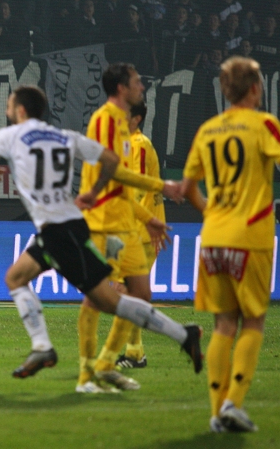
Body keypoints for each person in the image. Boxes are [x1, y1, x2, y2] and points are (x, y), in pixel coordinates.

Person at [0, 85, 202, 383]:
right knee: (16, 277)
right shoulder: (64, 136)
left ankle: (180, 334)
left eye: (10, 104)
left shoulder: (8, 137)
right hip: (67, 226)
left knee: (110, 302)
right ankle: (43, 347)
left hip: (60, 232)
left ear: (20, 110)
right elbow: (111, 160)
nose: (8, 108)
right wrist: (93, 193)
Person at [180, 56, 280, 433]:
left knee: (223, 324)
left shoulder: (208, 130)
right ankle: (233, 404)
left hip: (213, 237)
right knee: (253, 320)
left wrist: (213, 214)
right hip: (250, 237)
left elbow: (188, 188)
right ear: (256, 89)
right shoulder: (264, 125)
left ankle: (216, 413)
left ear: (225, 90)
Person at [76, 63, 181, 393]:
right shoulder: (110, 125)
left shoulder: (129, 136)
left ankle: (114, 361)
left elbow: (126, 186)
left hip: (128, 224)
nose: (142, 86)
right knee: (108, 295)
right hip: (111, 224)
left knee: (134, 294)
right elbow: (118, 179)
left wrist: (149, 217)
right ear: (122, 88)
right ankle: (94, 370)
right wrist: (161, 191)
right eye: (137, 82)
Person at [115, 101, 166, 369]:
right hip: (136, 228)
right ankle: (135, 351)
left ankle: (135, 353)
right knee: (126, 291)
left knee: (127, 291)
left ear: (136, 118)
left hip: (143, 231)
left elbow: (138, 186)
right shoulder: (126, 144)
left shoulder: (139, 144)